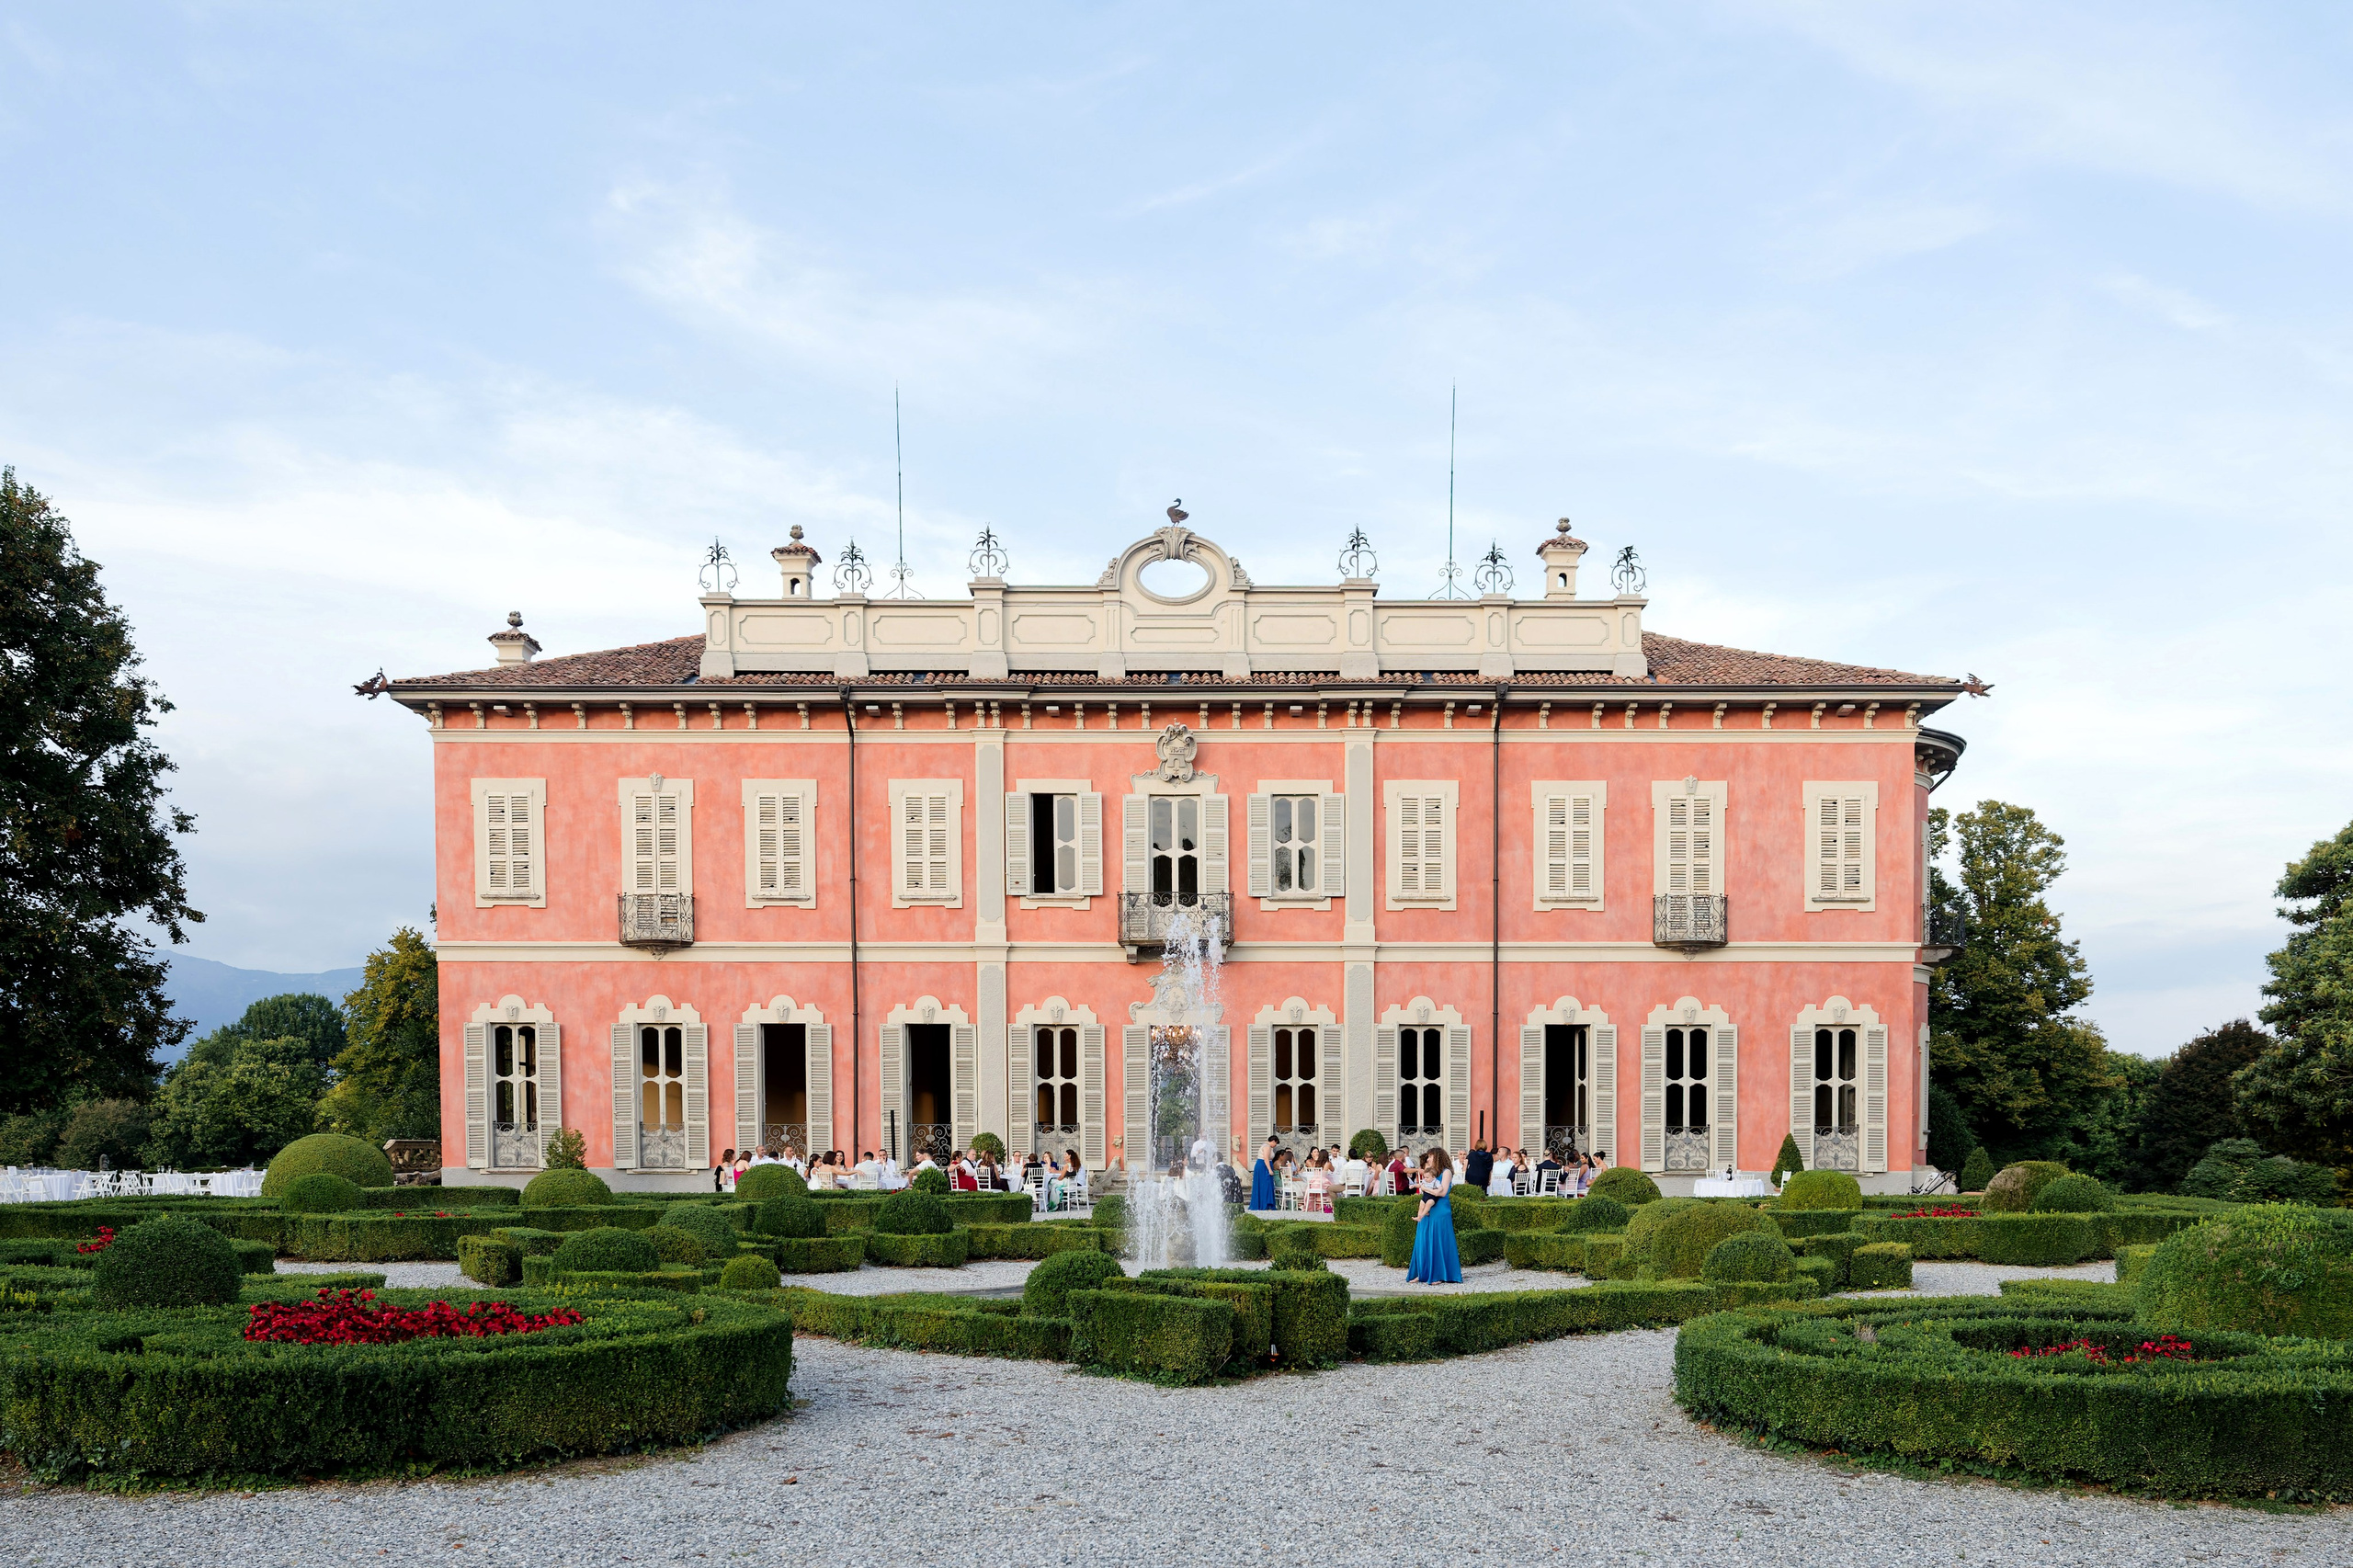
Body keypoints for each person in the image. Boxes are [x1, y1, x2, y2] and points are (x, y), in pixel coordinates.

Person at [1406, 1148, 1463, 1284]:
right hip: (1429, 1207)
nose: (1428, 1159)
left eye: (1430, 1157)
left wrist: (1425, 1189)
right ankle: (1422, 1273)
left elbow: (1442, 1193)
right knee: (1423, 1239)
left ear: (1438, 1157)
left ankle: (1438, 1274)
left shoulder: (1446, 1172)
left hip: (1441, 1209)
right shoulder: (1432, 1172)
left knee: (1437, 1241)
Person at [1250, 1136, 1278, 1211]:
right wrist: (1269, 1170)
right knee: (1266, 1185)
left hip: (1262, 1165)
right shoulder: (1267, 1147)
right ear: (1273, 1141)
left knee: (1263, 1185)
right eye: (1276, 1143)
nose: (1275, 1145)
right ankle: (1266, 1204)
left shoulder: (1265, 1145)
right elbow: (1266, 1158)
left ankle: (1263, 1204)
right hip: (1264, 1166)